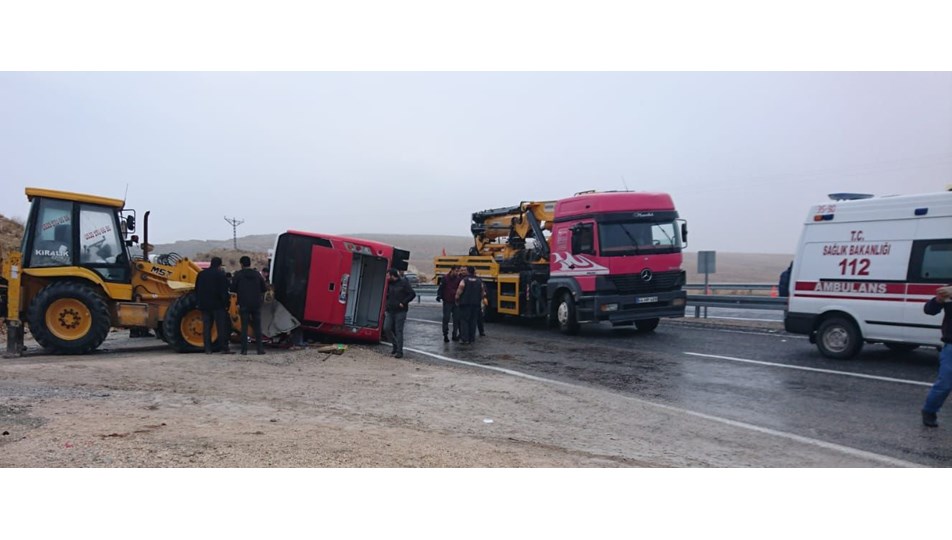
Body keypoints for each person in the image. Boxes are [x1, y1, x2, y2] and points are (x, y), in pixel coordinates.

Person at [921, 285, 952, 427]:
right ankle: (929, 411)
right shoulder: (949, 290)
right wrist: (938, 300)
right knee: (945, 383)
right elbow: (929, 310)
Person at [231, 255, 268, 355]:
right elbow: (264, 289)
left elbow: (232, 289)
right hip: (256, 303)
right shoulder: (257, 274)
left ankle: (244, 350)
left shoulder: (238, 275)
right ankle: (260, 349)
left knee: (244, 327)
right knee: (257, 327)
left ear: (241, 264)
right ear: (250, 263)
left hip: (243, 303)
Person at [195, 256, 233, 354]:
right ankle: (224, 348)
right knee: (221, 327)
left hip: (204, 305)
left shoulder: (201, 274)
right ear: (219, 265)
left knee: (207, 327)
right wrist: (226, 303)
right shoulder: (220, 275)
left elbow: (197, 289)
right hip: (218, 305)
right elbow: (224, 291)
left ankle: (207, 349)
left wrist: (199, 303)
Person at [384, 268, 416, 358]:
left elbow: (412, 294)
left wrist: (403, 302)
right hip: (390, 310)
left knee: (398, 330)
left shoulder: (404, 283)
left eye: (388, 275)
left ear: (392, 275)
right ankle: (395, 344)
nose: (387, 277)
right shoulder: (389, 284)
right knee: (386, 328)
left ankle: (399, 351)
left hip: (400, 311)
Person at [455, 266, 485, 345]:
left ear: (468, 271)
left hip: (465, 304)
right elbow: (482, 293)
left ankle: (465, 339)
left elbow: (459, 291)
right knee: (473, 321)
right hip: (475, 304)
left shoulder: (464, 280)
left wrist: (457, 299)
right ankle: (472, 338)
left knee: (464, 321)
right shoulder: (479, 281)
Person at [435, 265, 463, 342]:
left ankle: (454, 334)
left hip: (456, 301)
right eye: (456, 271)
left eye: (458, 271)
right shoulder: (445, 278)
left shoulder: (459, 279)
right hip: (447, 301)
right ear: (452, 270)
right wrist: (439, 296)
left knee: (456, 319)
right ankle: (445, 335)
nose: (457, 273)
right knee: (446, 318)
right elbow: (441, 288)